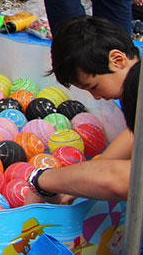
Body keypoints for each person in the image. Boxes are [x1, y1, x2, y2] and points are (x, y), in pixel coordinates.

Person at [25, 15, 139, 203]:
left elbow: (121, 180)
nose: (96, 97)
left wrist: (43, 180)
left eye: (93, 86)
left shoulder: (136, 86)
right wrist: (83, 181)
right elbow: (134, 134)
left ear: (117, 60)